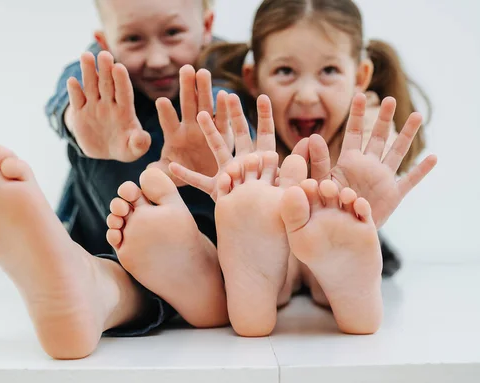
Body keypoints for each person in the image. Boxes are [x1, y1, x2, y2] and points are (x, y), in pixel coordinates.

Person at [0, 0, 234, 361]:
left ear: (207, 24)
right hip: (106, 232)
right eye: (133, 39)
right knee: (91, 89)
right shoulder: (100, 72)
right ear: (105, 39)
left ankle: (107, 287)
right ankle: (90, 283)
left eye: (173, 33)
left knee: (118, 282)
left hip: (203, 235)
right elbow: (66, 96)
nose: (156, 58)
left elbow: (247, 118)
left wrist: (222, 148)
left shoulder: (229, 70)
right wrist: (78, 123)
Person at [161, 0, 437, 336]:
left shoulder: (365, 134)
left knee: (330, 228)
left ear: (361, 76)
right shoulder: (244, 134)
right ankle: (268, 283)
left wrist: (368, 175)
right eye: (285, 72)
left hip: (342, 237)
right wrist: (237, 189)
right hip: (278, 252)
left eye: (329, 71)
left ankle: (336, 279)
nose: (307, 95)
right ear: (253, 79)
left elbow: (378, 167)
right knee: (266, 210)